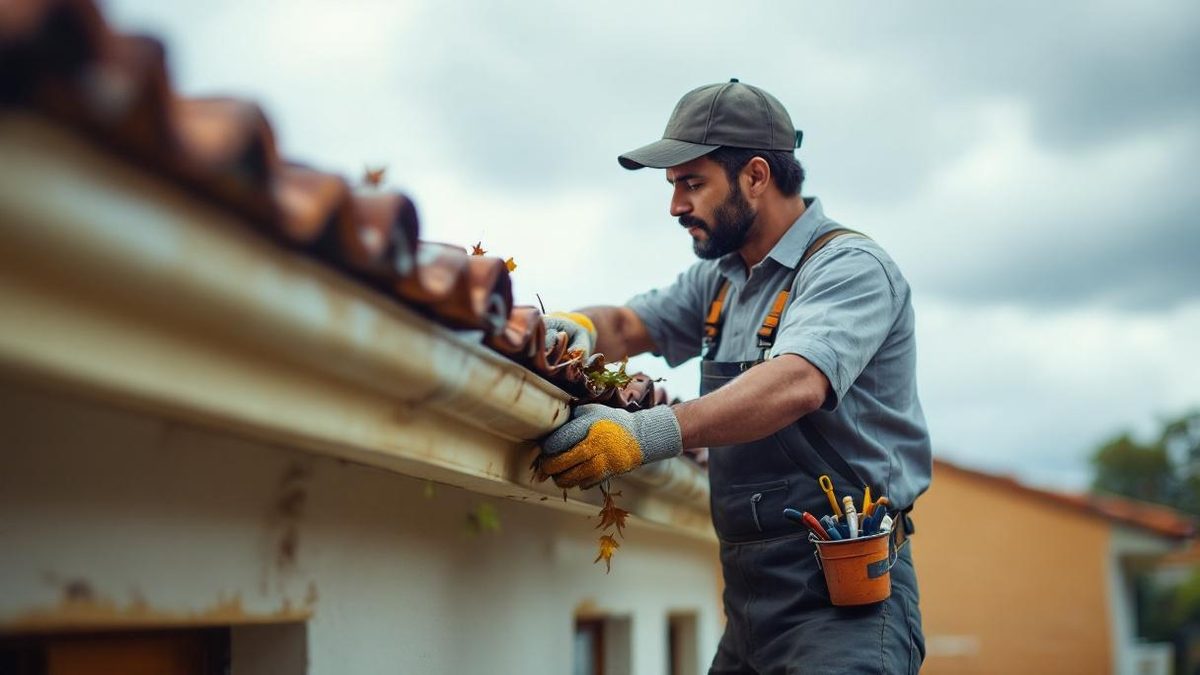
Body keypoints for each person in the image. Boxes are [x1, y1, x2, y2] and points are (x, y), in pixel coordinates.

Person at [540, 79, 930, 674]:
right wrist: (563, 329)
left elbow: (796, 382)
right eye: (672, 187)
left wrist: (643, 434)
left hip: (844, 605)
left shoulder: (849, 268)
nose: (675, 207)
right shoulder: (721, 281)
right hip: (750, 607)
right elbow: (624, 323)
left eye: (692, 184)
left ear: (754, 176)